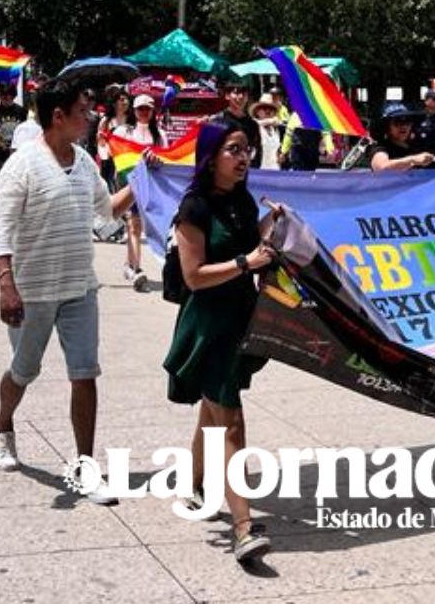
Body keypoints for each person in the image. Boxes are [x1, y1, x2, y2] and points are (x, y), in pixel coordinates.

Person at [0, 83, 136, 502]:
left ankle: (85, 468)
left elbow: (106, 212)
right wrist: (7, 286)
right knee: (23, 370)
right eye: (83, 111)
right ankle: (2, 426)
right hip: (31, 292)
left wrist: (141, 184)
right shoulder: (23, 166)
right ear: (58, 116)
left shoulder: (86, 163)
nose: (89, 118)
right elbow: (0, 232)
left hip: (79, 288)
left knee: (84, 373)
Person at [163, 120, 282, 563]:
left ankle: (192, 482)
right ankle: (244, 527)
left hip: (239, 319)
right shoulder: (194, 208)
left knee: (212, 412)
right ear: (211, 157)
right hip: (208, 325)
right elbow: (194, 277)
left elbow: (253, 247)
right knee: (230, 420)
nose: (244, 157)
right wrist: (245, 261)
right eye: (234, 150)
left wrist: (272, 223)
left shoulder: (240, 201)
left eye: (247, 149)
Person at [111, 94, 165, 290]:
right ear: (134, 111)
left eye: (147, 109)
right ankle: (137, 268)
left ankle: (129, 264)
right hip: (129, 185)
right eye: (140, 109)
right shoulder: (124, 131)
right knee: (134, 226)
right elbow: (113, 153)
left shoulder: (160, 134)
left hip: (151, 186)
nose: (144, 113)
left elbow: (165, 159)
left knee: (137, 227)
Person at [370, 102, 435, 170]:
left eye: (407, 121)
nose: (403, 126)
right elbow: (381, 168)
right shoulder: (380, 148)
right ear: (387, 127)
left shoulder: (417, 146)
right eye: (397, 122)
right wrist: (412, 160)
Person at [209, 79, 262, 167]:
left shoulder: (252, 125)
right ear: (227, 95)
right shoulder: (217, 122)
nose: (240, 97)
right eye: (236, 93)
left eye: (244, 93)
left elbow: (257, 153)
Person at [248, 96, 285, 170]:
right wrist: (270, 121)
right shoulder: (253, 127)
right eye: (264, 108)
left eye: (271, 109)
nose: (268, 111)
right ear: (257, 111)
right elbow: (251, 124)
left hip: (275, 172)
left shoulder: (276, 130)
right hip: (259, 173)